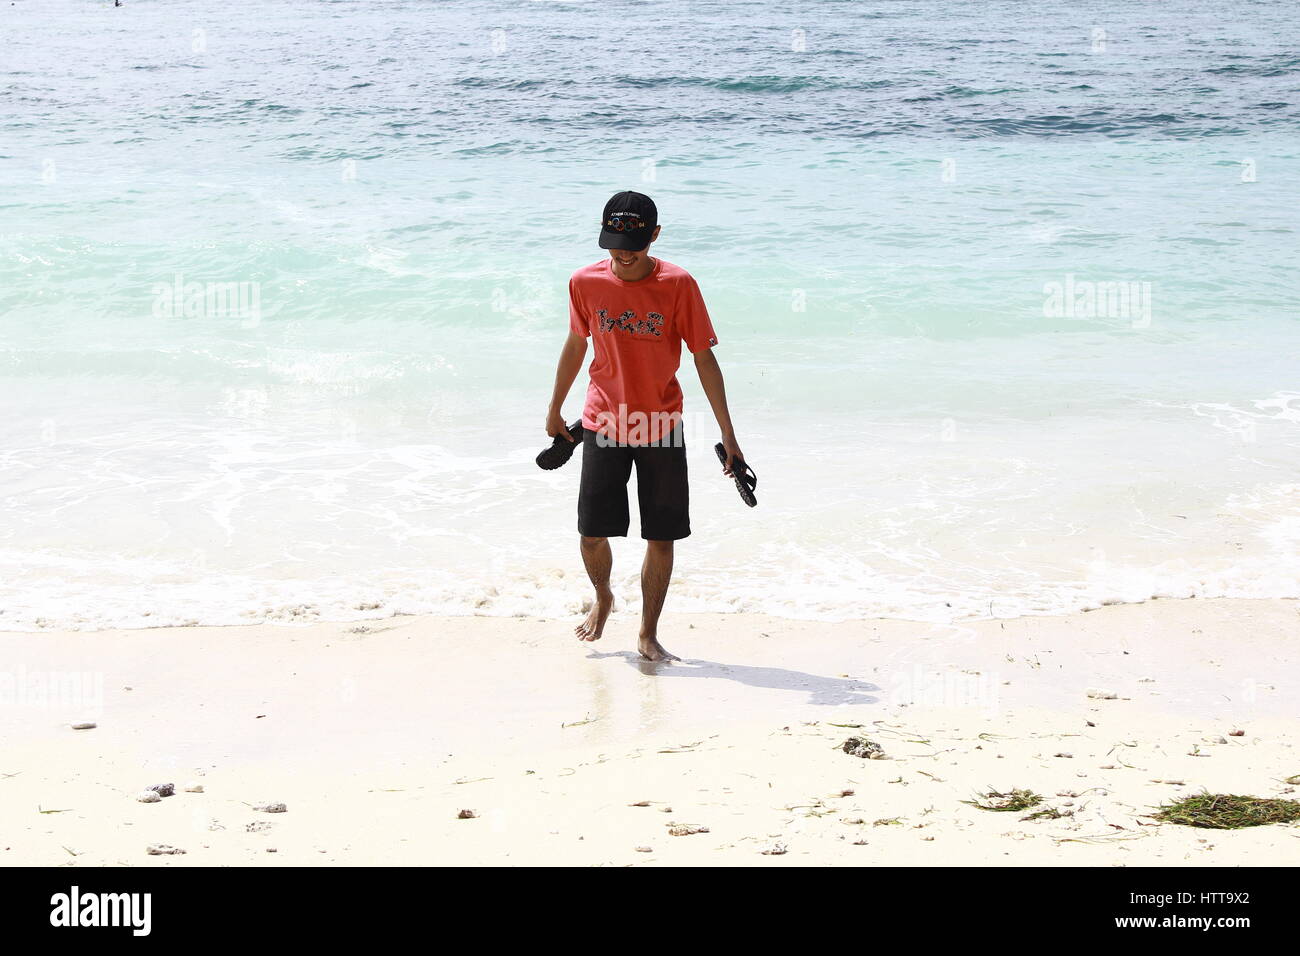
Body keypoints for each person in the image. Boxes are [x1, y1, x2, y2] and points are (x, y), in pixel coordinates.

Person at [545, 190, 743, 661]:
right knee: (592, 533)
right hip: (603, 423)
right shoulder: (583, 282)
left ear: (654, 235)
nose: (623, 252)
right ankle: (604, 596)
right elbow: (576, 345)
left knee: (662, 535)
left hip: (660, 425)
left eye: (634, 241)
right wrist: (554, 408)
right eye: (614, 241)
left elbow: (703, 357)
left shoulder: (679, 284)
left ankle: (647, 633)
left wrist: (728, 434)